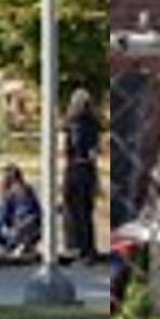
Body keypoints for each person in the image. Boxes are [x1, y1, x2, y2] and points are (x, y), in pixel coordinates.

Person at [62, 88, 101, 265]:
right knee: (86, 211)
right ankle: (88, 249)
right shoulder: (93, 124)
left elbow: (71, 147)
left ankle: (77, 248)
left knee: (73, 210)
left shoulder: (72, 123)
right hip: (88, 169)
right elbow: (94, 152)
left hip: (75, 168)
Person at [0, 165, 43, 256]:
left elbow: (4, 217)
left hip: (20, 228)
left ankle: (15, 244)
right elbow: (39, 210)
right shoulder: (29, 189)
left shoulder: (9, 194)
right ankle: (27, 244)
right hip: (36, 228)